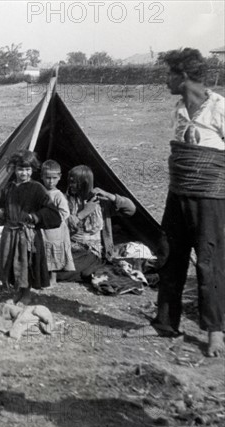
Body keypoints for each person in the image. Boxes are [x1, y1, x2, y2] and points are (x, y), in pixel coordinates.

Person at [151, 48, 225, 357]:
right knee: (170, 255)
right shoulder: (179, 110)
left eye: (169, 74)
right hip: (178, 193)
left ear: (183, 76)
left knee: (209, 262)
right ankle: (166, 323)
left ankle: (215, 333)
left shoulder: (220, 107)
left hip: (210, 198)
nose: (165, 80)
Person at [0, 151, 62, 305]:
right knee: (11, 263)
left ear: (32, 169)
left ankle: (26, 294)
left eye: (28, 169)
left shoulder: (37, 188)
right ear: (13, 169)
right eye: (20, 169)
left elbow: (52, 212)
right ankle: (16, 292)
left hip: (27, 234)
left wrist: (34, 217)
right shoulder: (8, 188)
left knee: (26, 263)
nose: (24, 173)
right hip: (10, 233)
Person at [56, 165, 136, 282]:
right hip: (70, 247)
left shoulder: (101, 203)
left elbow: (130, 209)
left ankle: (85, 271)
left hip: (91, 251)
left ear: (85, 183)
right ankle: (85, 272)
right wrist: (83, 212)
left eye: (75, 182)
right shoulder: (65, 200)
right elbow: (60, 226)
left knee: (61, 270)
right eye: (70, 181)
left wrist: (109, 195)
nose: (71, 185)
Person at [40, 160, 75, 287]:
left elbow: (65, 213)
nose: (50, 181)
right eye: (47, 178)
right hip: (43, 228)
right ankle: (42, 277)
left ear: (59, 177)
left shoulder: (58, 195)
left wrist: (50, 218)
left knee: (53, 252)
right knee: (43, 252)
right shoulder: (41, 192)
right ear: (42, 176)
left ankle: (53, 279)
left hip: (55, 230)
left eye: (54, 178)